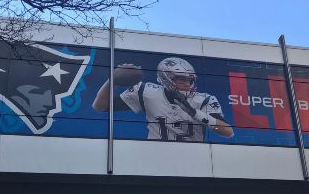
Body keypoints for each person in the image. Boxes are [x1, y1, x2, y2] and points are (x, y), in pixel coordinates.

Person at [92, 57, 234, 140]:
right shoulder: (146, 91)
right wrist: (112, 81)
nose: (187, 84)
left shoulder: (204, 100)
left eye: (190, 80)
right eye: (181, 79)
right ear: (166, 79)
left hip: (193, 159)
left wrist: (195, 113)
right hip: (155, 157)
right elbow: (100, 106)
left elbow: (228, 131)